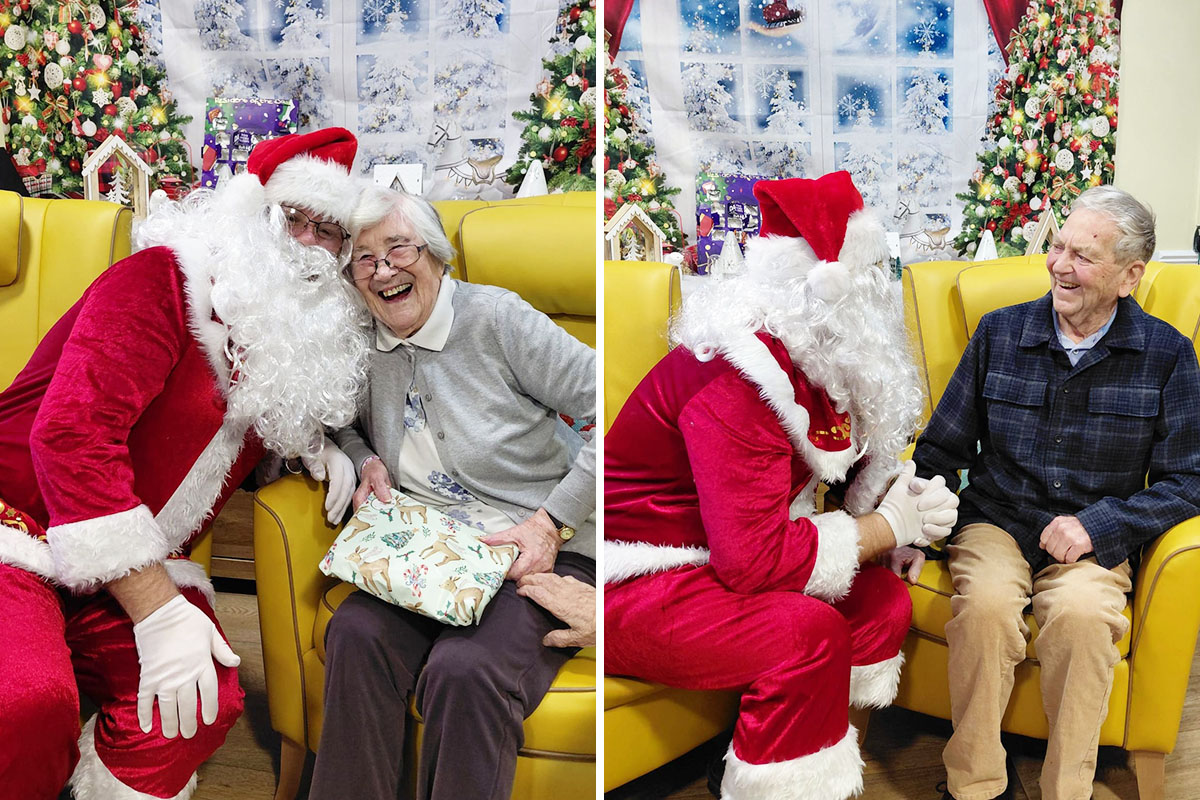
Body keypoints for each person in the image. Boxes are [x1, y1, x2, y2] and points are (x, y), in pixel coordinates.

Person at [0, 127, 369, 800]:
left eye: (329, 231)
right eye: (293, 218)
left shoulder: (275, 338)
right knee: (24, 704)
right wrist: (157, 612)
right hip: (19, 531)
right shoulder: (161, 282)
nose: (306, 243)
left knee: (201, 701)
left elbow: (238, 425)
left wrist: (329, 447)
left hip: (119, 567)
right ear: (251, 212)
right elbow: (71, 437)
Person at [604, 171, 959, 800]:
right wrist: (885, 528)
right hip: (641, 574)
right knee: (808, 635)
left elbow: (832, 468)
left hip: (715, 557)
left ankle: (826, 776)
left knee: (881, 601)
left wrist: (900, 512)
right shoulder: (740, 383)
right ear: (834, 286)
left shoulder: (810, 356)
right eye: (873, 274)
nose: (882, 293)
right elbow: (754, 562)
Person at [907, 185, 1200, 800]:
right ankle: (976, 786)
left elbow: (1189, 481)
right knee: (985, 609)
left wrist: (1101, 525)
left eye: (1083, 256)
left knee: (1084, 620)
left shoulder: (1168, 355)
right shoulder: (999, 332)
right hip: (997, 520)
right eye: (1058, 247)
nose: (1059, 265)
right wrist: (913, 529)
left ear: (1130, 276)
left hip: (1095, 538)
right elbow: (940, 449)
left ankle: (1068, 790)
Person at [307, 185, 597, 800]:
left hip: (540, 546)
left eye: (399, 249)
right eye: (365, 259)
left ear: (437, 254)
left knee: (465, 669)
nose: (383, 270)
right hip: (434, 552)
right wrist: (363, 458)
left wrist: (552, 522)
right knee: (354, 634)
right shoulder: (360, 339)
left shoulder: (497, 319)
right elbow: (338, 420)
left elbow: (616, 406)